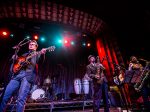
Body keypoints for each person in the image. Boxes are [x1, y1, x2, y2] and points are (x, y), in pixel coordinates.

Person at [0, 40, 47, 112]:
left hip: (27, 76)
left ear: (36, 46)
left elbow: (41, 62)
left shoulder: (37, 54)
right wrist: (15, 58)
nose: (30, 45)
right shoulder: (24, 54)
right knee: (5, 96)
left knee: (21, 98)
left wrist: (42, 53)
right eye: (30, 44)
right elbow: (18, 62)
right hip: (16, 75)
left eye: (32, 44)